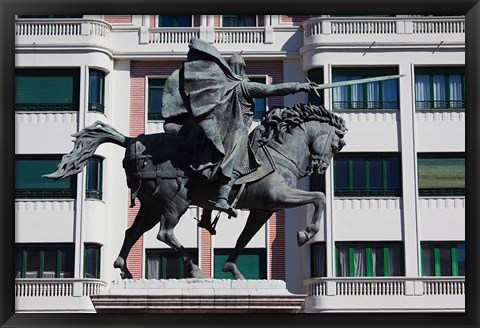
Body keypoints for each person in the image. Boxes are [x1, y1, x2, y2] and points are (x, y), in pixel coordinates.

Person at [166, 37, 315, 217]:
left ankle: (206, 215)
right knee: (239, 157)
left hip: (219, 132)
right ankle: (222, 198)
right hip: (233, 132)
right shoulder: (242, 86)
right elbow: (271, 90)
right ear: (240, 69)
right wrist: (299, 86)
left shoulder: (222, 86)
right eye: (243, 69)